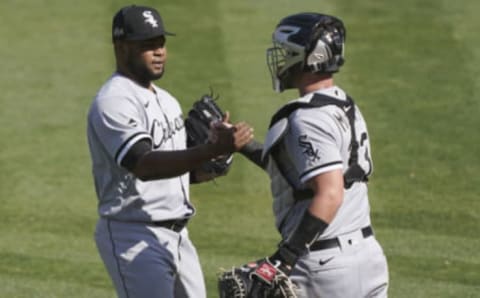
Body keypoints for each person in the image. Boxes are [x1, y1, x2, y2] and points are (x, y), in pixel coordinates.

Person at [86, 4, 253, 298]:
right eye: (148, 45)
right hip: (133, 234)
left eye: (161, 43)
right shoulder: (114, 100)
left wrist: (211, 161)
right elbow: (144, 165)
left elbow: (175, 176)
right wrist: (208, 148)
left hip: (177, 236)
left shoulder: (167, 100)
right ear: (121, 47)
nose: (159, 51)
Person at [239, 12, 389, 297]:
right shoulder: (343, 104)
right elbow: (304, 171)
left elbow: (329, 193)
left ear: (304, 56)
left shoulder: (306, 119)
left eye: (286, 52)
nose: (281, 59)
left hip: (325, 266)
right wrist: (242, 144)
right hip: (368, 256)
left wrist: (282, 260)